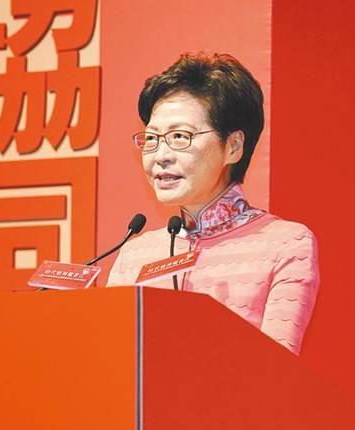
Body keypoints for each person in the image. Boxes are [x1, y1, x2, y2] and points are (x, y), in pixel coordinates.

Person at [107, 53, 319, 355]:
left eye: (179, 136)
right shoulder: (133, 255)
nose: (160, 156)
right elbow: (114, 359)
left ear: (233, 146)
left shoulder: (285, 245)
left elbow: (277, 369)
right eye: (151, 138)